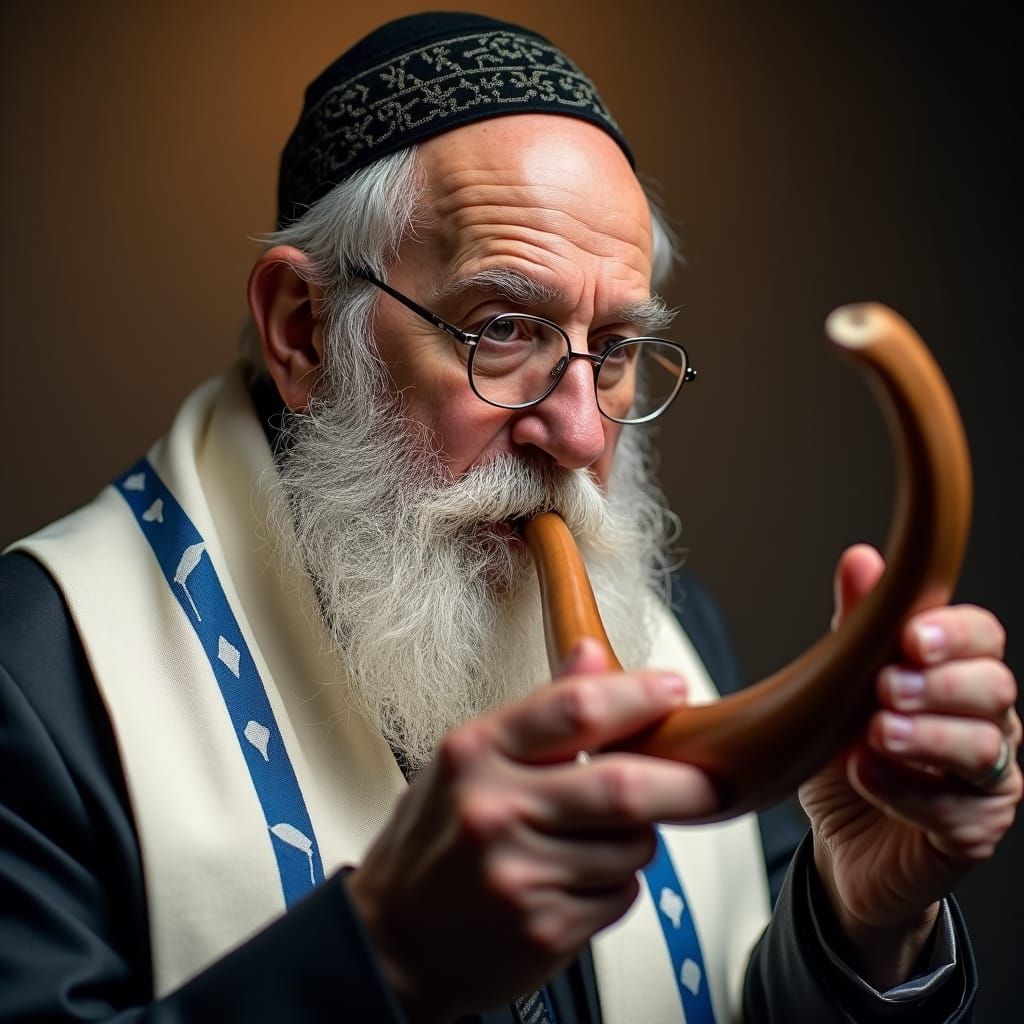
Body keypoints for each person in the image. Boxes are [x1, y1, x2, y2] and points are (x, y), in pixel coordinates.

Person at [0, 12, 1018, 1023]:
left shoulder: (667, 634)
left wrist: (864, 918)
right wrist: (378, 958)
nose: (577, 433)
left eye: (613, 346)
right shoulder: (34, 676)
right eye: (503, 329)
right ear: (302, 331)